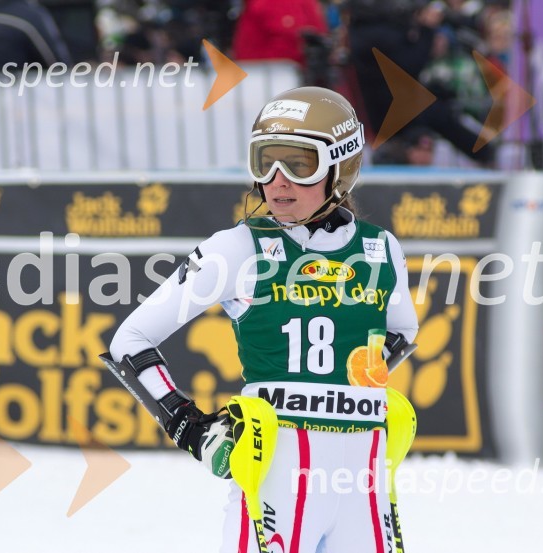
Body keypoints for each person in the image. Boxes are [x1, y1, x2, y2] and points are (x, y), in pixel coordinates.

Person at [108, 86, 419, 552]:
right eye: (265, 162)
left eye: (299, 164)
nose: (277, 180)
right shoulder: (235, 248)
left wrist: (357, 384)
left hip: (363, 476)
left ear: (342, 168)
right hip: (279, 475)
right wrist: (189, 427)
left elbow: (402, 331)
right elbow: (130, 340)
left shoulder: (380, 247)